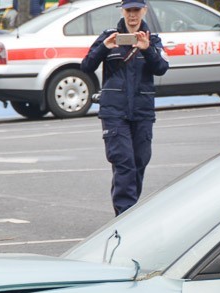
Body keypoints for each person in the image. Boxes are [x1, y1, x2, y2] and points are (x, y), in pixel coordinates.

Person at [80, 0, 168, 215]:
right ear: (122, 11)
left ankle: (129, 211)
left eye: (136, 10)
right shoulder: (108, 36)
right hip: (114, 112)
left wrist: (147, 50)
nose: (132, 15)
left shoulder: (153, 40)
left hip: (142, 112)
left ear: (144, 11)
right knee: (124, 163)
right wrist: (104, 48)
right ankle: (125, 215)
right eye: (128, 10)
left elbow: (162, 68)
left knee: (139, 163)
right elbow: (86, 66)